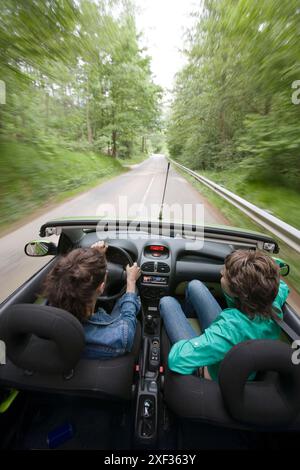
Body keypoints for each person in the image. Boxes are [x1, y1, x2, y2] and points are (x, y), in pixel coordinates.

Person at [159, 249, 290, 381]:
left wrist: (202, 341)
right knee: (195, 285)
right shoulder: (272, 300)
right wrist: (261, 266)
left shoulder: (228, 330)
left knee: (167, 302)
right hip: (234, 341)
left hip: (209, 370)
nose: (222, 271)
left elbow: (177, 359)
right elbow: (283, 285)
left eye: (225, 275)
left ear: (236, 293)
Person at [42, 241, 141, 358]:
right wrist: (131, 282)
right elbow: (128, 322)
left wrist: (96, 256)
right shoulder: (118, 337)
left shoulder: (44, 316)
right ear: (102, 287)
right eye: (106, 273)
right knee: (132, 299)